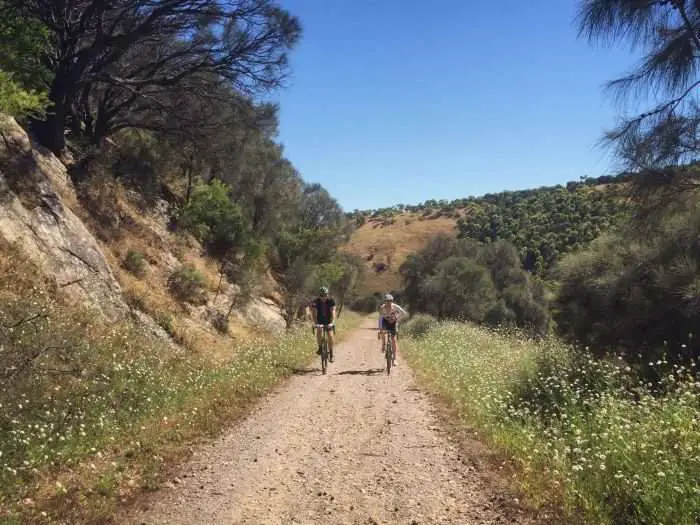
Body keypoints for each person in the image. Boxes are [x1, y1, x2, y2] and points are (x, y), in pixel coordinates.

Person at [377, 293, 408, 366]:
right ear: (384, 301)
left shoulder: (395, 307)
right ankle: (383, 344)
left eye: (390, 301)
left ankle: (394, 359)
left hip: (393, 322)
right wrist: (380, 328)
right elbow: (380, 319)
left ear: (392, 301)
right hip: (385, 321)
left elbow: (404, 313)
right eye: (387, 301)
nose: (388, 302)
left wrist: (397, 318)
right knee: (383, 332)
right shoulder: (382, 308)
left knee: (393, 340)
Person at [312, 286, 336, 361]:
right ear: (319, 295)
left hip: (329, 320)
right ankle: (320, 347)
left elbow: (333, 312)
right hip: (320, 320)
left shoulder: (331, 301)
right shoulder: (316, 301)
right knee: (319, 332)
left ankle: (331, 353)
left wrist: (332, 322)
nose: (323, 297)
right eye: (321, 295)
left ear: (327, 294)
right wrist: (316, 323)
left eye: (325, 295)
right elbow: (314, 313)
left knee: (330, 336)